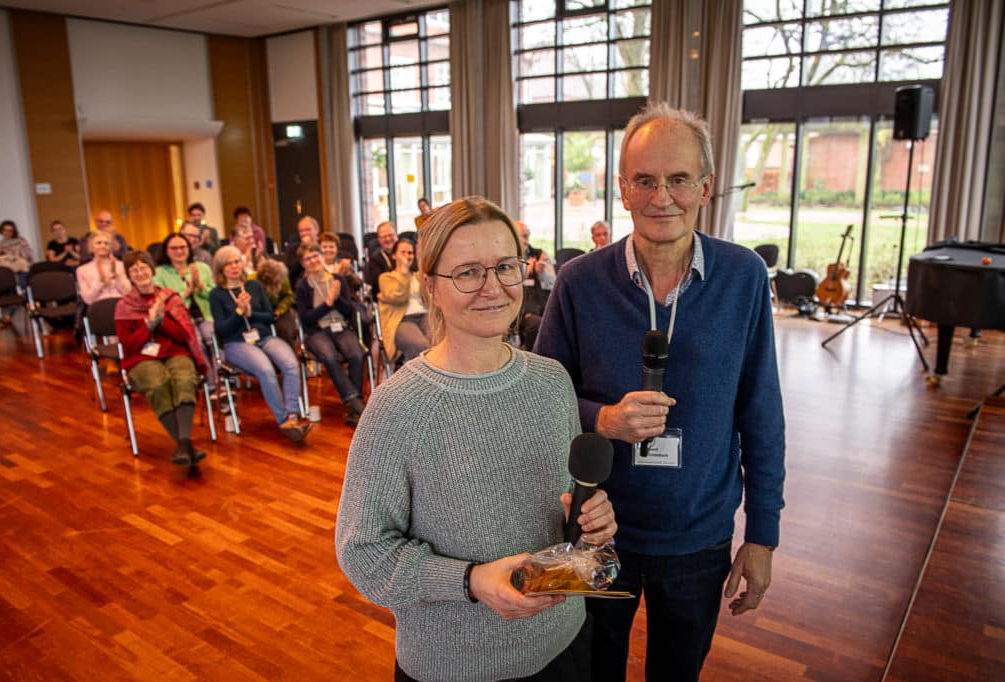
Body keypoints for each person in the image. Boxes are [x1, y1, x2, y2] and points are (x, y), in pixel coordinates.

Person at [534, 102, 786, 681]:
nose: (662, 196)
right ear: (622, 190)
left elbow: (761, 413)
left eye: (678, 179)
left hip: (699, 535)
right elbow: (539, 406)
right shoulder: (579, 282)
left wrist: (763, 533)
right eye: (645, 181)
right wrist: (605, 420)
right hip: (598, 528)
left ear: (706, 187)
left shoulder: (744, 277)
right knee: (596, 671)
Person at [336, 196, 618, 682]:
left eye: (506, 267)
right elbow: (363, 552)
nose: (493, 288)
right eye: (468, 272)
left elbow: (560, 508)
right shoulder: (398, 406)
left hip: (565, 640)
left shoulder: (552, 381)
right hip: (455, 666)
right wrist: (469, 580)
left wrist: (591, 520)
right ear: (431, 287)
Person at [114, 251, 209, 467]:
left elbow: (182, 335)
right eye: (134, 270)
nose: (140, 273)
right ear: (129, 275)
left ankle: (182, 444)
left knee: (184, 377)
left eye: (143, 267)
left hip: (175, 351)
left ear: (152, 269)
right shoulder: (124, 305)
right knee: (157, 383)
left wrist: (162, 319)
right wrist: (149, 325)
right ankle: (185, 444)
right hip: (141, 357)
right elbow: (128, 345)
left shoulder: (170, 298)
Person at [209, 246, 311, 442]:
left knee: (290, 363)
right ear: (220, 268)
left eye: (236, 261)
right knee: (266, 370)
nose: (233, 267)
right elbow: (222, 330)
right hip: (236, 343)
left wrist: (250, 313)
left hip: (263, 337)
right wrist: (239, 313)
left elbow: (269, 317)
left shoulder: (254, 286)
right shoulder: (217, 295)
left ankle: (292, 415)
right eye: (228, 263)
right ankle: (283, 420)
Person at [294, 245, 366, 426]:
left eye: (315, 256)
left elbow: (349, 310)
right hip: (317, 331)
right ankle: (356, 403)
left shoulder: (338, 280)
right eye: (307, 259)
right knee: (330, 357)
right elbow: (305, 319)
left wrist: (336, 299)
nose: (313, 261)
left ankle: (353, 409)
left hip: (340, 327)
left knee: (356, 354)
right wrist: (327, 304)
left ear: (322, 257)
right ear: (303, 264)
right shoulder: (303, 286)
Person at [153, 232, 218, 395]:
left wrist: (201, 287)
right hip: (181, 320)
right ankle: (211, 385)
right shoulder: (159, 273)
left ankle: (222, 380)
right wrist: (186, 292)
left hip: (206, 315)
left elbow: (215, 295)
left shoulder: (202, 268)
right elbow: (163, 301)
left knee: (213, 339)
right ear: (166, 251)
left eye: (182, 247)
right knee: (198, 342)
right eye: (174, 248)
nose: (179, 251)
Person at [377, 238, 428, 363]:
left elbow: (429, 298)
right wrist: (403, 273)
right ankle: (421, 381)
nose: (407, 256)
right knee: (422, 347)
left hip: (425, 316)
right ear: (394, 256)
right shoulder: (386, 278)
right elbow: (399, 298)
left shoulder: (417, 276)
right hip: (401, 321)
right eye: (403, 252)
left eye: (410, 253)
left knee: (441, 344)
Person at [515, 221, 555, 351]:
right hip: (520, 308)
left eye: (526, 236)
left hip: (540, 304)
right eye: (520, 236)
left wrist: (542, 272)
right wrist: (525, 272)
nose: (524, 241)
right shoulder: (507, 257)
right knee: (536, 324)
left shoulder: (540, 254)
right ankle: (533, 357)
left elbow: (552, 284)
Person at [251, 257, 298, 352]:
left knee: (284, 329)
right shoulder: (252, 280)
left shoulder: (282, 276)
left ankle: (289, 354)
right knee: (260, 331)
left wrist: (279, 310)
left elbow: (288, 296)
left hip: (279, 308)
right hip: (259, 312)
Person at [77, 232, 131, 304]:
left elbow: (128, 292)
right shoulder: (82, 270)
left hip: (120, 304)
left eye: (106, 243)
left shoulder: (120, 265)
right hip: (98, 307)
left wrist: (116, 275)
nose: (103, 246)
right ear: (91, 247)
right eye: (99, 243)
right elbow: (88, 300)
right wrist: (101, 281)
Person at [0, 219, 34, 285]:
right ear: (1, 230)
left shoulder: (20, 241)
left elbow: (28, 256)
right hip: (3, 272)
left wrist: (4, 252)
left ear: (13, 232)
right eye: (5, 230)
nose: (7, 232)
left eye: (10, 231)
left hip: (19, 271)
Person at [283, 215, 321, 285]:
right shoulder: (292, 249)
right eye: (301, 231)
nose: (304, 233)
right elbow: (289, 273)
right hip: (302, 284)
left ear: (317, 230)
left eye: (307, 230)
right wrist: (304, 249)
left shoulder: (324, 246)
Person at [363, 220, 397, 295]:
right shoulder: (375, 261)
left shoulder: (407, 254)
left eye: (390, 235)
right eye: (384, 237)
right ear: (379, 240)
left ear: (396, 235)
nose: (388, 239)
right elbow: (379, 286)